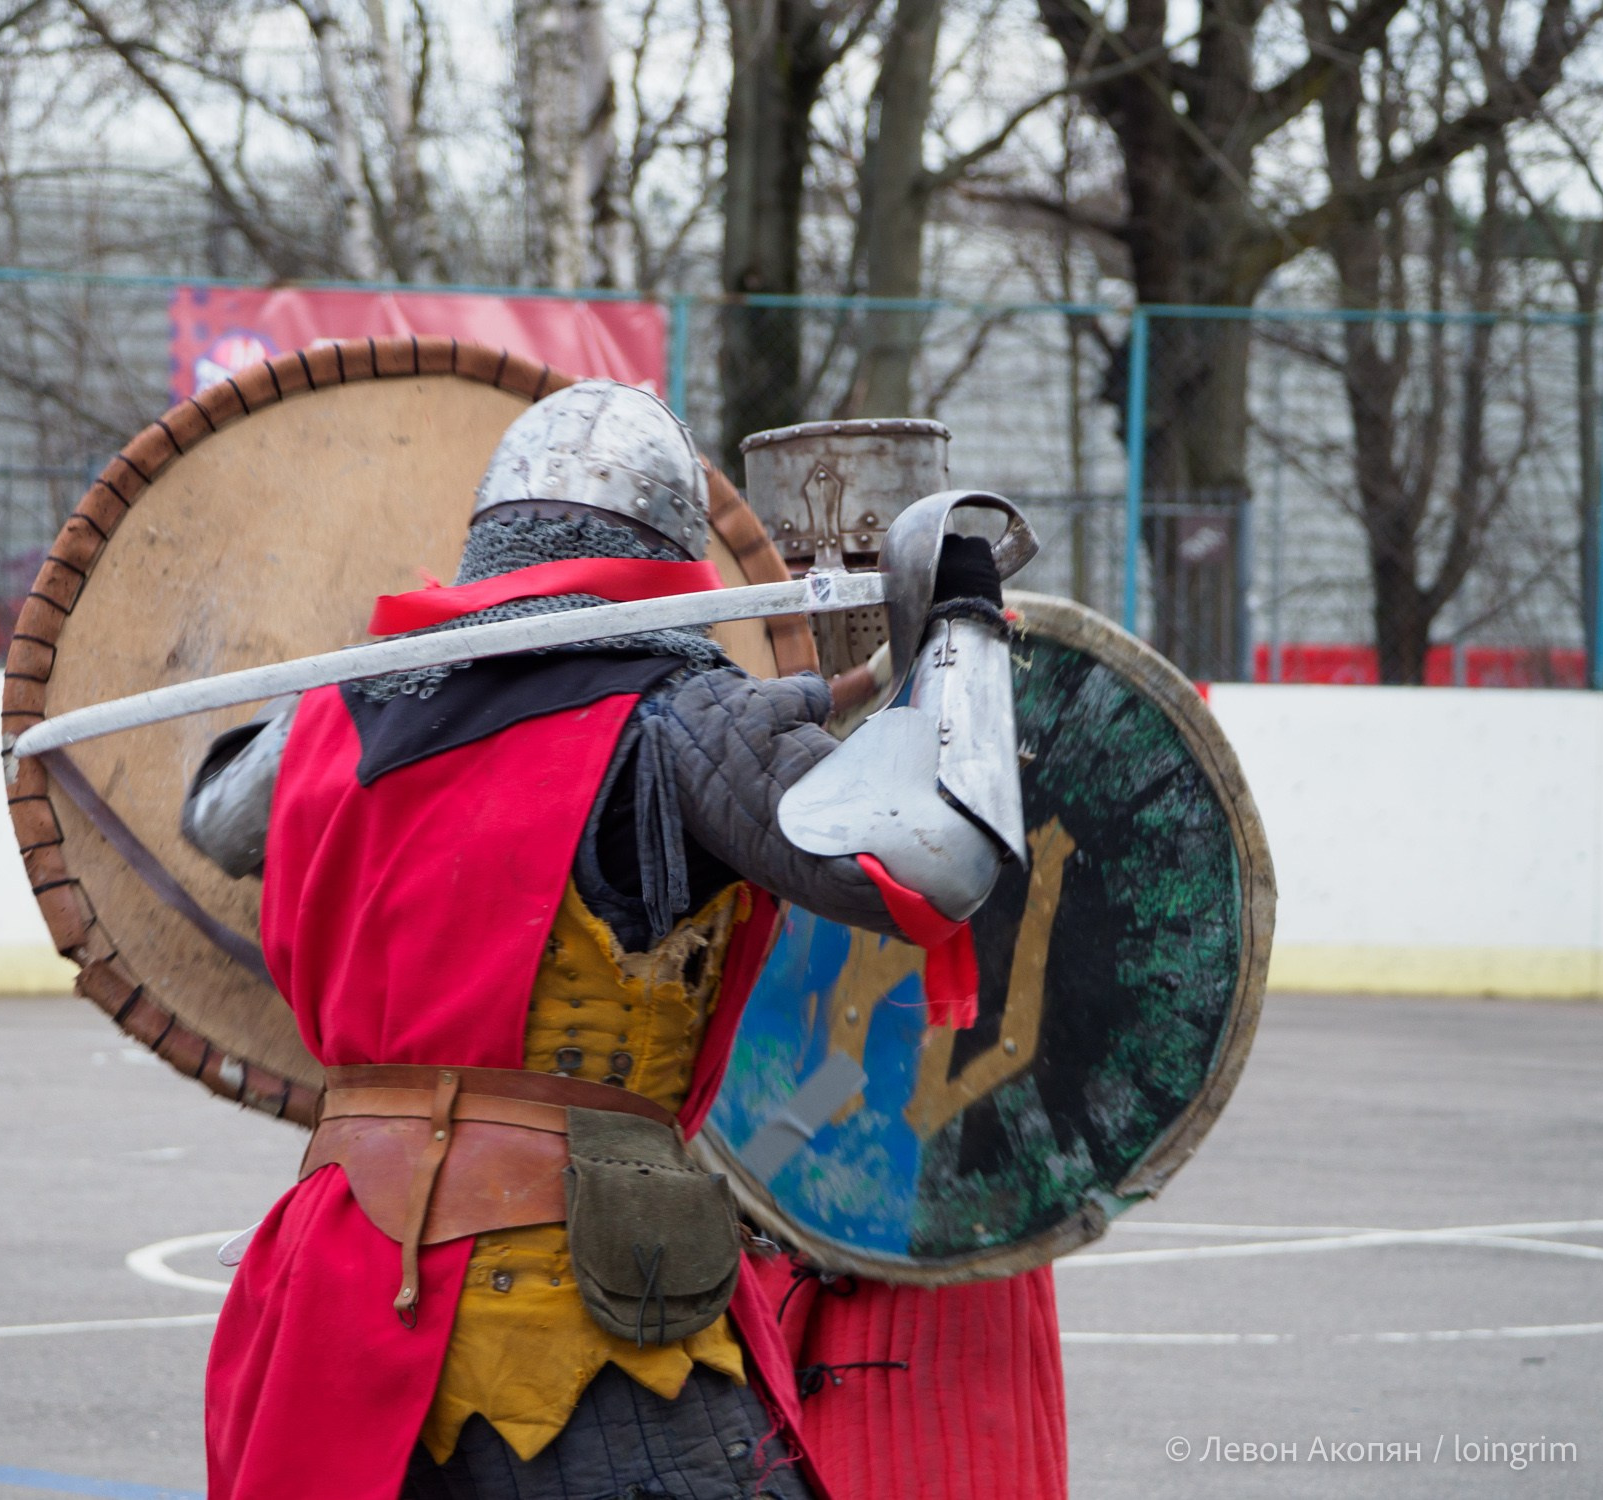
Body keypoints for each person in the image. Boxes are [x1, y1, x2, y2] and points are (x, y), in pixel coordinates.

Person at [179, 379, 1025, 1500]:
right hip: (585, 1317)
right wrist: (963, 623)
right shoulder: (683, 718)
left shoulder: (332, 710)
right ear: (673, 548)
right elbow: (942, 858)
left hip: (340, 1289)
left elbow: (215, 820)